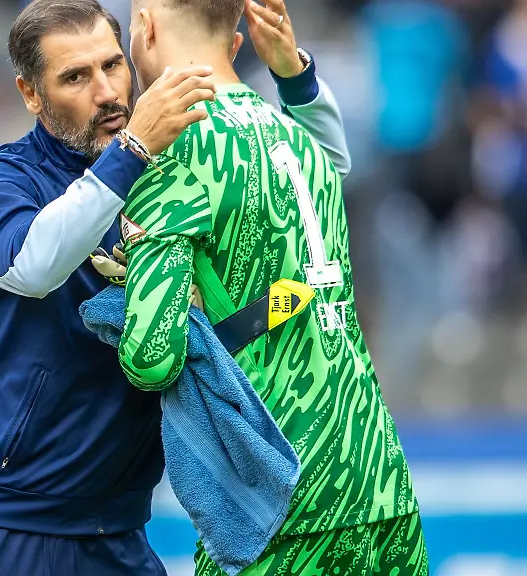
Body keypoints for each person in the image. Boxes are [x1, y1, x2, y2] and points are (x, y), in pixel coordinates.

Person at [0, 0, 353, 574]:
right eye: (75, 77)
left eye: (113, 66)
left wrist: (295, 77)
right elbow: (35, 265)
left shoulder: (171, 170)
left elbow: (320, 170)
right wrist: (132, 152)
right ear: (31, 94)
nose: (108, 92)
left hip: (116, 532)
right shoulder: (0, 182)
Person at [116, 0, 427, 573]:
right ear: (234, 40)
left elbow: (151, 357)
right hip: (378, 480)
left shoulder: (172, 152)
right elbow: (297, 292)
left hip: (279, 502)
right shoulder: (306, 143)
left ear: (145, 24)